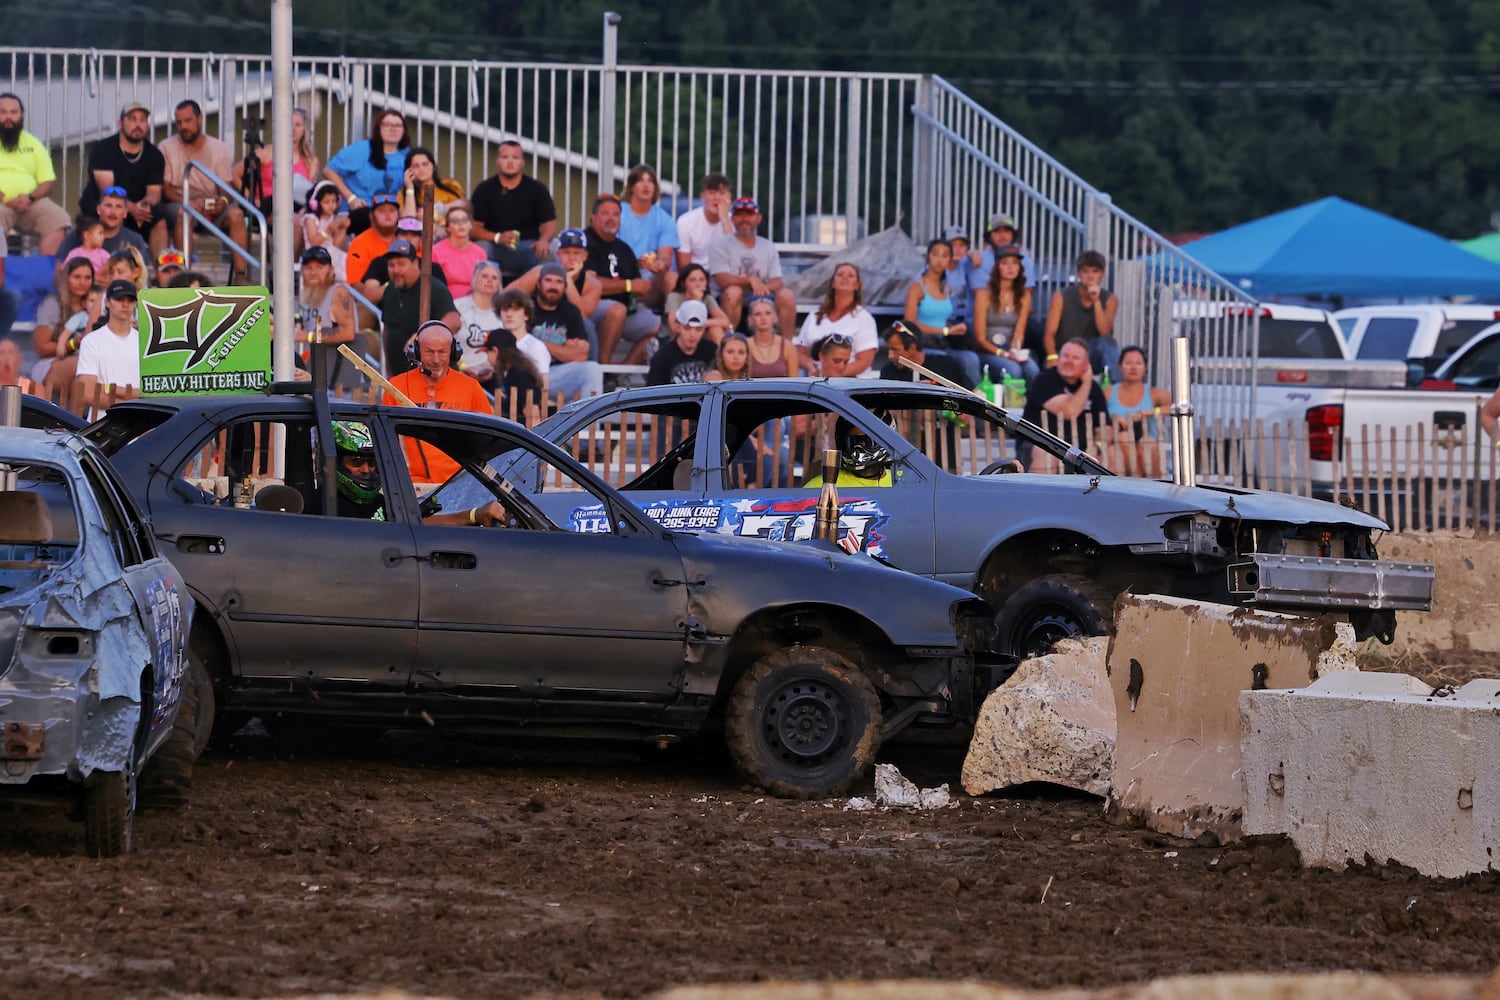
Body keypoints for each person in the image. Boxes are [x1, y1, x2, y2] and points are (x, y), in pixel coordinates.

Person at [330, 420, 506, 524]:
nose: (366, 470)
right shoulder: (327, 506)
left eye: (372, 462)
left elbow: (417, 527)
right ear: (338, 462)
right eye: (356, 462)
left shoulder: (379, 501)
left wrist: (474, 515)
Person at [381, 321, 493, 484]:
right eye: (429, 352)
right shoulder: (396, 387)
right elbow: (387, 441)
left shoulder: (470, 387)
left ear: (454, 352)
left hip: (458, 485)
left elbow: (486, 440)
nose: (436, 359)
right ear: (416, 352)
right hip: (411, 485)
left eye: (442, 352)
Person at [154, 100, 249, 277]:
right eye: (179, 122)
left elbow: (226, 185)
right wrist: (189, 202)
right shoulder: (166, 147)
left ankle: (241, 276)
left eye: (188, 121)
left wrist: (224, 201)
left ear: (200, 119)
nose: (183, 126)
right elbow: (165, 189)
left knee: (236, 215)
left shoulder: (219, 148)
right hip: (180, 203)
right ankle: (184, 276)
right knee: (185, 213)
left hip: (210, 205)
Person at [583, 194, 660, 364]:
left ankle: (620, 375)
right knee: (617, 310)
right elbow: (588, 283)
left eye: (616, 214)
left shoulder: (624, 249)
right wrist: (628, 285)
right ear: (593, 217)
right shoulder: (584, 243)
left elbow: (636, 289)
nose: (611, 218)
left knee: (658, 327)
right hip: (590, 308)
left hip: (624, 311)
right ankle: (603, 368)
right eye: (605, 214)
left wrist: (648, 287)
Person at [468, 139, 557, 279]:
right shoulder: (485, 189)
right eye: (505, 157)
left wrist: (544, 240)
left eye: (515, 157)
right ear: (498, 161)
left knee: (546, 254)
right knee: (480, 248)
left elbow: (549, 223)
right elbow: (474, 228)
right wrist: (498, 237)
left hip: (528, 247)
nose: (510, 162)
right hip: (494, 246)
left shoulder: (537, 189)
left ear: (522, 162)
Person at [710, 196, 797, 336]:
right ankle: (727, 341)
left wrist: (762, 287)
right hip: (727, 300)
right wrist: (750, 280)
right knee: (733, 292)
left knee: (787, 295)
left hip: (761, 298)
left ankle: (786, 347)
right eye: (739, 215)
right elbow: (722, 280)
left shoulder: (768, 246)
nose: (744, 219)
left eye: (749, 215)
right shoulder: (720, 244)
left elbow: (778, 281)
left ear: (758, 218)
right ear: (732, 219)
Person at [1021, 337, 1109, 472]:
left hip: (1080, 450)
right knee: (1046, 454)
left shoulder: (1095, 389)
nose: (1069, 361)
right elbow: (1069, 412)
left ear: (1086, 365)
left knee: (1112, 454)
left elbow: (1105, 429)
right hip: (1040, 446)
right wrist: (1086, 383)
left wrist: (1097, 446)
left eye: (1075, 358)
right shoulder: (1045, 380)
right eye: (1065, 356)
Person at [79, 102, 164, 240]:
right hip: (102, 203)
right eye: (132, 119)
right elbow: (108, 190)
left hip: (137, 208)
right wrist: (129, 208)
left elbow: (154, 192)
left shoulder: (155, 155)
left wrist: (144, 206)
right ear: (120, 123)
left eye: (143, 120)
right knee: (108, 210)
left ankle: (158, 262)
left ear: (147, 126)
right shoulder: (103, 149)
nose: (138, 125)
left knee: (159, 221)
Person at [0, 92, 72, 255]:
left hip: (29, 202)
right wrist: (6, 200)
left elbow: (47, 181)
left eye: (13, 112)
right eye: (3, 112)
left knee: (58, 218)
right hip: (1, 204)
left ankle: (45, 274)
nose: (8, 117)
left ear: (22, 115)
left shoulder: (34, 143)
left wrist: (30, 197)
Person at [903, 238, 980, 387]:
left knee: (971, 358)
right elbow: (909, 324)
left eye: (945, 256)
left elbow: (940, 318)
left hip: (944, 344)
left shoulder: (947, 288)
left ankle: (977, 401)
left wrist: (954, 328)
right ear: (927, 257)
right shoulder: (917, 286)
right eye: (935, 254)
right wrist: (945, 330)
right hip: (923, 346)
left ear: (950, 260)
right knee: (948, 363)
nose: (939, 260)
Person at [378, 239, 460, 376]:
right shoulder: (390, 289)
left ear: (415, 263)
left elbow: (454, 320)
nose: (396, 270)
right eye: (391, 265)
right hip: (401, 377)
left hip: (433, 377)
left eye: (401, 264)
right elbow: (388, 330)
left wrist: (423, 335)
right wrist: (388, 370)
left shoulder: (433, 288)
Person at [324, 109, 411, 235]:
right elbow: (329, 170)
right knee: (368, 217)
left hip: (391, 215)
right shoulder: (363, 148)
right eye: (387, 125)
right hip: (359, 211)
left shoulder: (407, 156)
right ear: (378, 128)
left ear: (404, 130)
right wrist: (351, 199)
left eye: (398, 125)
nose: (393, 129)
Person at [528, 262, 604, 401]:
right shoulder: (526, 307)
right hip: (530, 372)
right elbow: (523, 349)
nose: (553, 286)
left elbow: (581, 355)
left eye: (558, 282)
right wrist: (563, 349)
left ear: (565, 287)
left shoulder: (571, 311)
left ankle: (588, 423)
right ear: (538, 284)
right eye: (548, 280)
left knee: (592, 369)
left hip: (559, 373)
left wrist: (541, 345)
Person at [231, 106, 319, 220]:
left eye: (298, 125)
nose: (293, 129)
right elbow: (235, 173)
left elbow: (311, 194)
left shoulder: (310, 161)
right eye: (289, 124)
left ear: (304, 130)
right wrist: (251, 199)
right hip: (267, 207)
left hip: (297, 207)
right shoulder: (266, 153)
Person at [1044, 250, 1120, 380]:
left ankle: (1118, 389)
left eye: (1095, 271)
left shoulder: (1110, 299)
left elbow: (1105, 332)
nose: (1090, 276)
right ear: (1078, 273)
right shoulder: (1061, 296)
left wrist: (1096, 301)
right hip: (1064, 352)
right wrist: (1052, 357)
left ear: (1102, 274)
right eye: (1085, 271)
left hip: (1090, 354)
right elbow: (1049, 333)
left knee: (1108, 342)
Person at [794, 262, 878, 377]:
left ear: (857, 285)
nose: (845, 278)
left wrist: (833, 374)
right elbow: (800, 350)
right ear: (832, 283)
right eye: (840, 274)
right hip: (817, 380)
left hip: (851, 381)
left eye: (850, 275)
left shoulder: (864, 318)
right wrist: (812, 367)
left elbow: (864, 360)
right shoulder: (814, 315)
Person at [972, 243, 1039, 384]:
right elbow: (980, 338)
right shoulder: (983, 295)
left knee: (1033, 370)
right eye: (1005, 263)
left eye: (1015, 263)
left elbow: (1019, 332)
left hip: (1009, 349)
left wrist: (1014, 352)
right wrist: (1002, 354)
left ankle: (1033, 406)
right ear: (997, 267)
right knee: (1013, 371)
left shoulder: (1024, 295)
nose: (1010, 267)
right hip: (988, 350)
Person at [73, 279, 141, 416]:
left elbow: (151, 391)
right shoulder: (91, 341)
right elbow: (89, 393)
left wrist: (110, 389)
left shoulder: (144, 341)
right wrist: (130, 403)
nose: (125, 304)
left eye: (130, 300)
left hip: (140, 423)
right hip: (102, 423)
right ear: (107, 302)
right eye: (119, 299)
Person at [616, 163, 679, 305]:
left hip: (650, 276)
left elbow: (666, 255)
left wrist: (660, 264)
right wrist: (633, 264)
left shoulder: (665, 219)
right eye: (640, 180)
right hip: (619, 272)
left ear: (655, 187)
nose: (646, 185)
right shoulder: (618, 213)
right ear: (632, 187)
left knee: (671, 277)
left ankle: (675, 322)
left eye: (650, 181)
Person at [295, 245, 358, 384]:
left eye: (319, 267)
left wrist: (309, 336)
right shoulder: (309, 297)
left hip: (341, 377)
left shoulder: (338, 292)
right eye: (309, 268)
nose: (313, 272)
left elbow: (348, 332)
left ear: (331, 270)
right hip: (322, 371)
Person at [1107, 345, 1172, 478]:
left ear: (1145, 368)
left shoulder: (1155, 394)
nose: (1133, 367)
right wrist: (1114, 419)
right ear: (1120, 367)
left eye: (1138, 363)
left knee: (1146, 443)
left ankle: (1141, 482)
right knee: (1123, 438)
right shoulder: (1108, 393)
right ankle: (1137, 479)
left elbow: (1178, 406)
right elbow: (1096, 413)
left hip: (1148, 444)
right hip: (1119, 446)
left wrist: (1152, 411)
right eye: (1128, 363)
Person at [32, 257, 98, 382]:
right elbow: (42, 348)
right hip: (50, 362)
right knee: (82, 366)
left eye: (87, 278)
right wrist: (73, 344)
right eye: (76, 277)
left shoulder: (98, 303)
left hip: (85, 362)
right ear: (66, 278)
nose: (82, 282)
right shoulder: (52, 304)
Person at [965, 213, 1038, 325]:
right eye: (997, 232)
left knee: (1039, 332)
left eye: (1007, 231)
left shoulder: (1025, 261)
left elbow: (1026, 300)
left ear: (1013, 235)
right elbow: (982, 299)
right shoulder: (978, 260)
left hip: (1016, 319)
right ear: (989, 236)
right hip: (984, 320)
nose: (1003, 236)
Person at [56, 186, 150, 261]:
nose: (113, 212)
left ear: (125, 213)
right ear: (98, 209)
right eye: (108, 205)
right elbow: (58, 276)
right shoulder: (78, 234)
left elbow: (147, 273)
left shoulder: (135, 240)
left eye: (118, 207)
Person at [454, 260, 506, 385]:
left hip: (492, 376)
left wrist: (493, 370)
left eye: (494, 277)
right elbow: (446, 342)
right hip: (459, 372)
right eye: (484, 276)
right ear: (474, 280)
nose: (489, 280)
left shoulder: (503, 313)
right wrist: (462, 367)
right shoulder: (457, 306)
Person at [802, 417, 894, 488]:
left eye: (869, 442)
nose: (859, 451)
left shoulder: (900, 483)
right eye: (852, 442)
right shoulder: (822, 486)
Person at [880, 320, 973, 389]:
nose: (890, 356)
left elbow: (967, 396)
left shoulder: (946, 365)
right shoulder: (888, 372)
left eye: (895, 350)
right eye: (889, 349)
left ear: (912, 348)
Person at [648, 300, 717, 385]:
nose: (692, 334)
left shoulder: (712, 351)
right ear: (678, 326)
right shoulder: (662, 357)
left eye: (698, 329)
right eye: (687, 328)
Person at [676, 172, 733, 270]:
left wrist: (725, 221)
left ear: (729, 197)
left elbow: (735, 259)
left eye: (722, 193)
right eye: (712, 193)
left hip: (724, 276)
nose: (717, 198)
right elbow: (684, 267)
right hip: (695, 276)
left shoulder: (735, 221)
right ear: (703, 196)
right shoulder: (686, 222)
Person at [430, 203, 487, 300]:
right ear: (447, 228)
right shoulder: (436, 251)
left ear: (470, 225)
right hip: (445, 302)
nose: (461, 224)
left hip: (474, 303)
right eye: (455, 221)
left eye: (465, 220)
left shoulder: (480, 253)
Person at [663, 262, 731, 342]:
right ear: (683, 283)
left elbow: (725, 321)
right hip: (676, 339)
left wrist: (701, 323)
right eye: (693, 280)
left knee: (716, 330)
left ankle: (721, 354)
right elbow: (674, 327)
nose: (698, 284)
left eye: (702, 280)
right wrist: (696, 301)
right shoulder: (674, 297)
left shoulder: (707, 298)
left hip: (699, 336)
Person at [399, 146, 464, 226]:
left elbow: (463, 217)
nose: (421, 169)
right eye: (416, 166)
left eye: (425, 164)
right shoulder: (403, 193)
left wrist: (435, 216)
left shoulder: (450, 185)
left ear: (433, 166)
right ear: (409, 171)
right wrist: (410, 189)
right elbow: (408, 223)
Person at [345, 191, 401, 285]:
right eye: (381, 210)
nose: (387, 214)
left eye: (392, 210)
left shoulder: (407, 239)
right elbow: (355, 283)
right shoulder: (360, 243)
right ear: (371, 216)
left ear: (399, 214)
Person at [745, 295, 800, 377]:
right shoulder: (745, 345)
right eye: (757, 314)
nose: (763, 318)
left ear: (775, 317)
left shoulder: (788, 347)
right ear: (750, 319)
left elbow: (795, 381)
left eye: (768, 313)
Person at [302, 180, 350, 267]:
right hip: (315, 254)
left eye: (334, 201)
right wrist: (329, 229)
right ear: (315, 203)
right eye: (326, 202)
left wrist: (343, 228)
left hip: (332, 253)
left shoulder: (333, 217)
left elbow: (335, 244)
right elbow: (314, 243)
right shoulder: (311, 219)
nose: (331, 205)